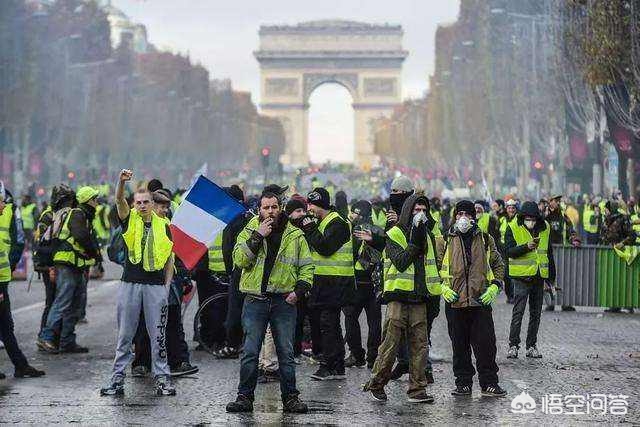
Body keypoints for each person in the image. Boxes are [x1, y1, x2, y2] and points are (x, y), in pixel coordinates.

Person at [226, 192, 313, 413]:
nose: (271, 211)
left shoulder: (295, 235)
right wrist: (257, 236)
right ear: (259, 210)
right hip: (255, 299)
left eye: (274, 207)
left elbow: (307, 267)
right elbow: (240, 260)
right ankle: (244, 397)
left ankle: (290, 398)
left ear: (281, 207)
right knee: (250, 352)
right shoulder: (248, 230)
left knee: (285, 352)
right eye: (266, 208)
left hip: (284, 300)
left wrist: (299, 291)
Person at [100, 169, 176, 397]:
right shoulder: (129, 219)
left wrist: (166, 286)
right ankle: (117, 381)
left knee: (158, 336)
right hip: (130, 284)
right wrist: (121, 183)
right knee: (125, 335)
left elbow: (169, 260)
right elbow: (118, 200)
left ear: (152, 204)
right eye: (138, 202)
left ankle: (163, 380)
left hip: (155, 287)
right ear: (133, 205)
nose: (142, 205)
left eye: (146, 202)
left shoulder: (165, 226)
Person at [362, 194, 437, 403]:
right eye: (416, 210)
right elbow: (401, 261)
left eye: (424, 210)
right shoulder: (394, 234)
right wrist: (415, 240)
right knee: (390, 343)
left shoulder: (428, 235)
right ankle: (377, 383)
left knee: (420, 345)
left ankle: (417, 389)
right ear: (408, 211)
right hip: (397, 297)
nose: (420, 215)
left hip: (420, 297)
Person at [437, 200, 507, 397]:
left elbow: (498, 265)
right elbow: (433, 269)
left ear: (474, 217)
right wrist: (442, 288)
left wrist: (495, 286)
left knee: (486, 345)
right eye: (459, 214)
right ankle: (463, 383)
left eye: (467, 214)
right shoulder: (444, 240)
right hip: (455, 302)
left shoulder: (485, 239)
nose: (463, 218)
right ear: (454, 216)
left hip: (480, 302)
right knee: (459, 346)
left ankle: (489, 383)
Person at [131, 190, 198, 378]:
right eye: (161, 206)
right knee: (145, 325)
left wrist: (182, 277)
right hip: (147, 282)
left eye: (166, 207)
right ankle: (141, 363)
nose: (165, 210)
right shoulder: (140, 224)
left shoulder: (168, 226)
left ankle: (178, 361)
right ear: (152, 205)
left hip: (169, 283)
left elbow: (175, 256)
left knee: (174, 324)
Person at [38, 186, 101, 354]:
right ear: (88, 201)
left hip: (76, 264)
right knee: (62, 302)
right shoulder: (77, 214)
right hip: (66, 263)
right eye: (94, 200)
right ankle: (46, 337)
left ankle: (67, 341)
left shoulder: (84, 216)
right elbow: (81, 237)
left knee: (75, 304)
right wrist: (94, 253)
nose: (97, 203)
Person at [302, 187, 353, 381]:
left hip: (335, 282)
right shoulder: (322, 222)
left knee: (328, 326)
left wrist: (310, 229)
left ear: (321, 204)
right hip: (323, 282)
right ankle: (335, 366)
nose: (309, 209)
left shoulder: (337, 223)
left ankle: (330, 365)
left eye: (312, 205)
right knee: (328, 325)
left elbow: (325, 248)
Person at [0, 183, 45, 379]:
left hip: (3, 280)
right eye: (1, 202)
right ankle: (21, 365)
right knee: (5, 325)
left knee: (5, 325)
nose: (4, 205)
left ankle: (21, 365)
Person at [505, 202, 555, 359]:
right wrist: (526, 246)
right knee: (518, 312)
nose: (530, 221)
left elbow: (549, 252)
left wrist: (551, 279)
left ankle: (531, 346)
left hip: (539, 277)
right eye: (527, 218)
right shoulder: (512, 226)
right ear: (522, 217)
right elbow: (509, 251)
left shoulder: (545, 227)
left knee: (536, 314)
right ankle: (513, 346)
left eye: (533, 218)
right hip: (521, 277)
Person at [343, 200, 383, 369]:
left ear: (359, 214)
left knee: (351, 318)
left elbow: (351, 255)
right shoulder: (378, 230)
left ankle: (356, 354)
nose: (351, 215)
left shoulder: (355, 231)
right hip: (374, 283)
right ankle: (372, 357)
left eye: (354, 212)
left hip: (358, 282)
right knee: (374, 322)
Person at [545, 195, 578, 312]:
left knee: (564, 277)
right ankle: (550, 303)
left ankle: (565, 303)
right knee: (549, 278)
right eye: (553, 201)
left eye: (556, 201)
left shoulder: (563, 216)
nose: (554, 203)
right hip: (547, 251)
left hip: (562, 251)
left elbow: (570, 229)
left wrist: (574, 239)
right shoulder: (545, 215)